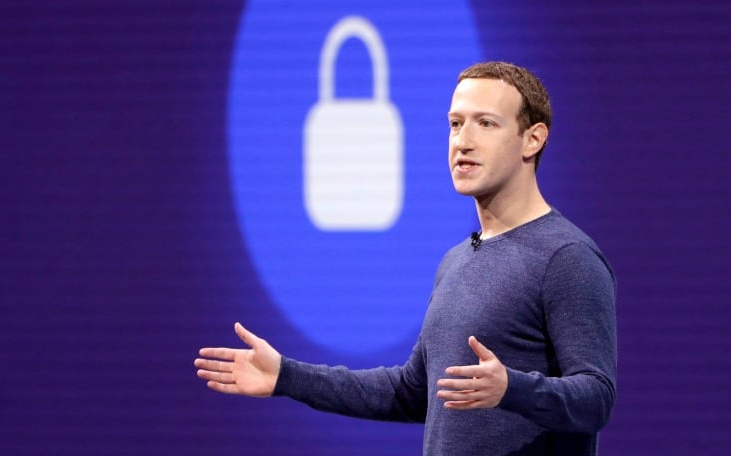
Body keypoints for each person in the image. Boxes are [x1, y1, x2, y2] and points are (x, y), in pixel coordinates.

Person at [194, 61, 617, 456]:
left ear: (533, 139)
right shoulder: (457, 260)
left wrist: (512, 388)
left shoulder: (566, 257)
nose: (463, 142)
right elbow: (411, 392)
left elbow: (596, 398)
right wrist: (287, 376)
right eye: (455, 125)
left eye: (485, 124)